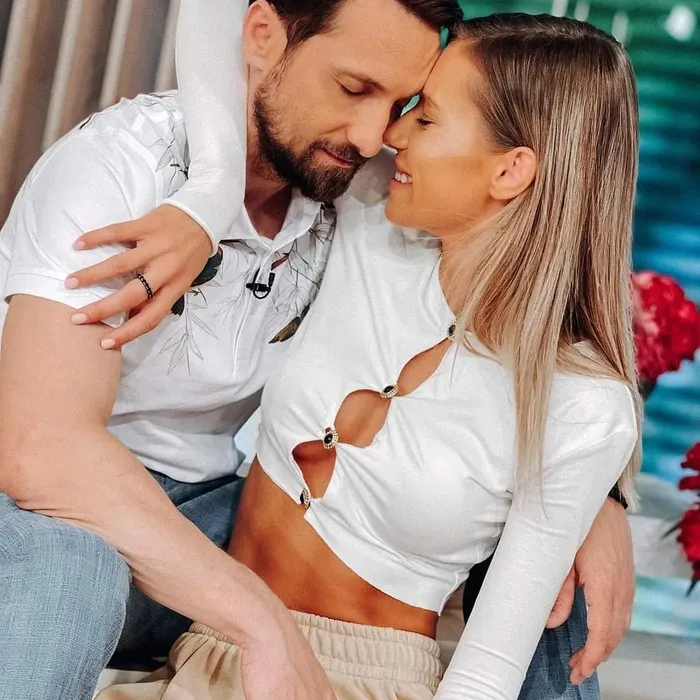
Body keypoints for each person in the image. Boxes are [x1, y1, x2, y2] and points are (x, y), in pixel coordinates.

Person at [70, 1, 638, 697]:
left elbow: (488, 670)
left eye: (425, 117)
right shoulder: (368, 211)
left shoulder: (583, 407)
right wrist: (209, 193)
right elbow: (216, 12)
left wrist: (596, 495)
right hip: (214, 644)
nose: (389, 134)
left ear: (510, 171)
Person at [0, 2, 460, 699]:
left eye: (400, 105)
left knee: (513, 525)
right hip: (38, 517)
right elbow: (42, 454)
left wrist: (591, 492)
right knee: (75, 566)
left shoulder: (353, 184)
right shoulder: (124, 164)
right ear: (262, 36)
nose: (372, 137)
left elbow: (525, 274)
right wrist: (261, 623)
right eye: (352, 88)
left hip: (207, 513)